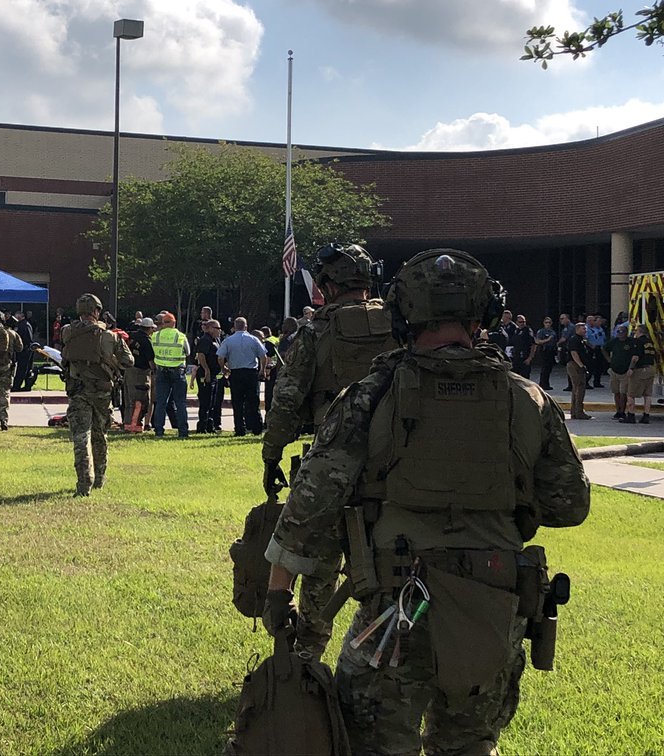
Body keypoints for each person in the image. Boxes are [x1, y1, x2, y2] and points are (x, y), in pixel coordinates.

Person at [263, 248, 590, 755]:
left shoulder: (371, 395)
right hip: (494, 603)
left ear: (403, 313)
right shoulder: (528, 399)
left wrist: (278, 593)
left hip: (397, 608)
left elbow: (311, 503)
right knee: (467, 746)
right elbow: (570, 505)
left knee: (372, 742)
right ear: (482, 315)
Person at [260, 243, 395, 659]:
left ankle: (307, 656)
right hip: (395, 462)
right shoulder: (399, 325)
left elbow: (286, 400)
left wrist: (271, 454)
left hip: (332, 459)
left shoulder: (316, 331)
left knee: (319, 563)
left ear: (327, 285)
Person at [61, 294, 133, 496]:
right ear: (97, 311)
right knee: (100, 434)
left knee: (80, 436)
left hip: (77, 390)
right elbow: (129, 361)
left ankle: (84, 482)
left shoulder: (68, 332)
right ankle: (100, 478)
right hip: (101, 391)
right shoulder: (109, 336)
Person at [217, 317, 268, 436]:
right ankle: (257, 428)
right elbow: (263, 356)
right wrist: (262, 370)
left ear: (234, 327)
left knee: (237, 402)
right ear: (246, 326)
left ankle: (239, 428)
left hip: (236, 373)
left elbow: (220, 357)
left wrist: (223, 368)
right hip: (251, 373)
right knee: (253, 401)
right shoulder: (253, 339)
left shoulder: (228, 341)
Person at [150, 311, 190, 438]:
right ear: (174, 323)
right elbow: (188, 352)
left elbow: (153, 351)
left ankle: (159, 431)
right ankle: (183, 432)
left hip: (161, 371)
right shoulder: (180, 336)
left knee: (161, 402)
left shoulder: (155, 336)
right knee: (180, 402)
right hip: (177, 371)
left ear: (163, 323)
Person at [122, 316, 155, 432]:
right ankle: (134, 426)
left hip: (128, 370)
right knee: (139, 400)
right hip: (141, 373)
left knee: (128, 399)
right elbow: (151, 361)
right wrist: (155, 372)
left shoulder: (132, 336)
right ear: (149, 328)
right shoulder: (146, 341)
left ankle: (127, 424)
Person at [194, 318, 224, 433]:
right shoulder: (205, 340)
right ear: (210, 328)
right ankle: (202, 426)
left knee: (212, 401)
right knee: (205, 401)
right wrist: (206, 370)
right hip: (206, 374)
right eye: (217, 328)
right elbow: (201, 355)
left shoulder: (215, 340)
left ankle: (210, 425)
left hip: (214, 375)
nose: (219, 331)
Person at [625, 323, 657, 424]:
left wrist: (630, 368)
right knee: (647, 395)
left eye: (636, 331)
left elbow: (635, 357)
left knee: (631, 394)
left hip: (640, 370)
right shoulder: (650, 343)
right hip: (651, 369)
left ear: (640, 332)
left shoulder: (638, 342)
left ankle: (631, 416)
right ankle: (646, 416)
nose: (635, 332)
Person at [605, 323, 633, 420]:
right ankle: (617, 411)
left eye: (622, 331)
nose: (620, 333)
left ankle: (622, 411)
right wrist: (609, 359)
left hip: (625, 372)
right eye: (618, 331)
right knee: (616, 392)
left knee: (623, 393)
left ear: (626, 333)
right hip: (614, 371)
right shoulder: (614, 341)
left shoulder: (630, 342)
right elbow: (604, 348)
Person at [564, 321, 591, 419]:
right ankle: (579, 412)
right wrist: (581, 365)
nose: (585, 330)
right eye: (583, 328)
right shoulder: (574, 339)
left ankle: (575, 411)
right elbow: (574, 353)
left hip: (578, 365)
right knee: (579, 387)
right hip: (575, 365)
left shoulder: (581, 339)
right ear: (577, 329)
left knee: (577, 388)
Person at [12, 310, 35, 391]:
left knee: (23, 368)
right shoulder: (21, 324)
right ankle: (24, 385)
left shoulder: (25, 325)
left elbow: (28, 339)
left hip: (25, 350)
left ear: (20, 316)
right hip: (22, 350)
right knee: (24, 368)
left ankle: (17, 386)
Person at [532, 315, 557, 389]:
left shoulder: (553, 332)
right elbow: (538, 341)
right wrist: (547, 339)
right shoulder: (541, 331)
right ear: (543, 323)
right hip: (544, 350)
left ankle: (546, 384)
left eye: (549, 322)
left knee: (549, 368)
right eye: (546, 322)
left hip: (551, 351)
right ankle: (542, 384)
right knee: (544, 368)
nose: (548, 324)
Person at [509, 314, 535, 378]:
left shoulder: (527, 331)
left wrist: (530, 358)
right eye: (520, 322)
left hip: (524, 358)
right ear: (517, 322)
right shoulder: (516, 331)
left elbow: (533, 344)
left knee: (525, 378)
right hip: (516, 358)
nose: (522, 323)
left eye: (524, 322)